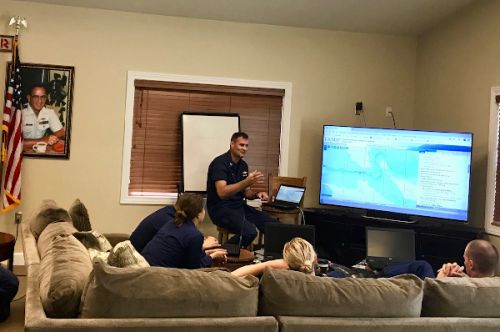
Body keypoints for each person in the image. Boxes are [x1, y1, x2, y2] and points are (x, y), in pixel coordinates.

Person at [207, 132, 277, 248]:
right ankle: (220, 251)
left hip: (239, 207)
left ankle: (271, 257)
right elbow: (222, 192)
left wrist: (257, 195)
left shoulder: (243, 165)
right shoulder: (219, 163)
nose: (244, 148)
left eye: (247, 146)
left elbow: (246, 192)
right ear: (232, 144)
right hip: (220, 209)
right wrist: (246, 182)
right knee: (250, 232)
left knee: (273, 226)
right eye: (241, 145)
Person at [141, 193, 227, 269]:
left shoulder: (172, 223)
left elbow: (183, 255)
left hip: (147, 268)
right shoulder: (195, 235)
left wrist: (207, 253)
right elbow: (195, 269)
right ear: (198, 214)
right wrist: (212, 256)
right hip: (160, 276)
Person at [232, 237, 316, 277]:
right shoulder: (327, 289)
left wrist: (268, 264)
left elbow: (231, 277)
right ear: (314, 259)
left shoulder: (272, 284)